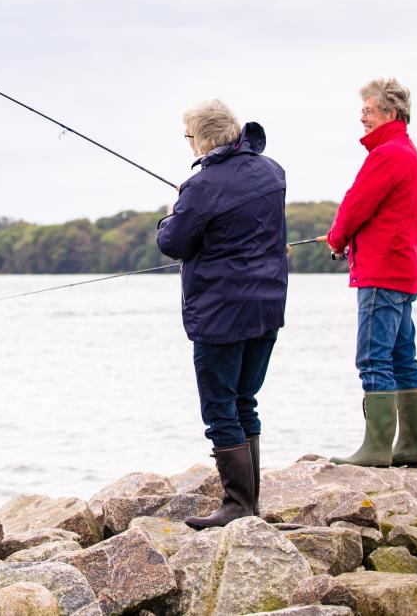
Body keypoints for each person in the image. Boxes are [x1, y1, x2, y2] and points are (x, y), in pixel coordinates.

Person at [157, 100, 288, 527]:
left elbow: (173, 243)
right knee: (245, 401)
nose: (188, 143)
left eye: (188, 136)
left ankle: (236, 505)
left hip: (221, 312)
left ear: (202, 138)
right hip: (266, 305)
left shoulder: (202, 186)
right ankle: (249, 506)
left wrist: (172, 214)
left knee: (220, 408)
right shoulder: (273, 173)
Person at [327, 78, 417, 468]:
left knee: (373, 358)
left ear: (390, 113)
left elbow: (355, 205)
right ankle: (410, 446)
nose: (362, 118)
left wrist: (337, 238)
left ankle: (377, 448)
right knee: (403, 358)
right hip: (404, 271)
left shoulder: (387, 155)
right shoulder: (412, 155)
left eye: (368, 111)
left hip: (381, 273)